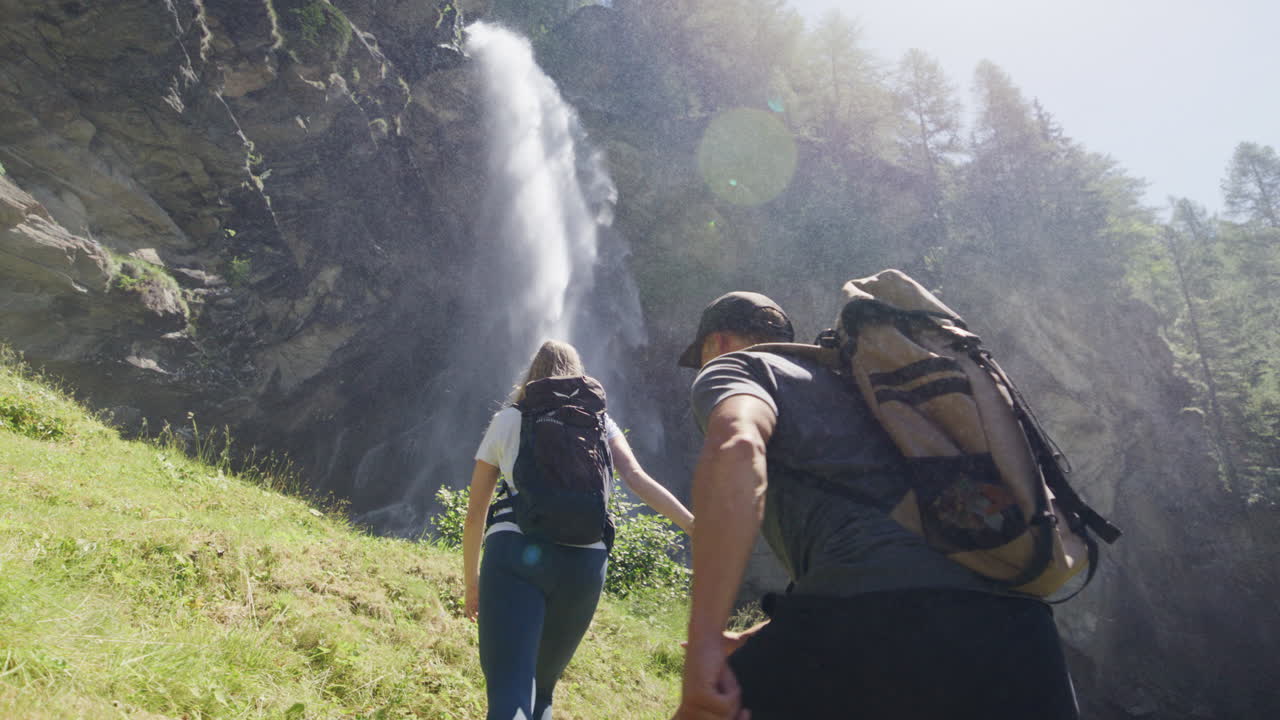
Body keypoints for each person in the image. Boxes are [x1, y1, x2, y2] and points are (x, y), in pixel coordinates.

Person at [671, 292, 1079, 720]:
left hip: (881, 618)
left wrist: (704, 641)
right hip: (1019, 637)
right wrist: (770, 631)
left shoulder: (737, 369)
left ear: (715, 342)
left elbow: (737, 446)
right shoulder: (868, 387)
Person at [463, 339, 694, 720]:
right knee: (543, 690)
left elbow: (475, 514)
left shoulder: (509, 419)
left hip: (514, 556)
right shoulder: (601, 422)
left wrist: (472, 583)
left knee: (511, 687)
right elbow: (637, 478)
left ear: (532, 375)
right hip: (585, 564)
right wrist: (692, 524)